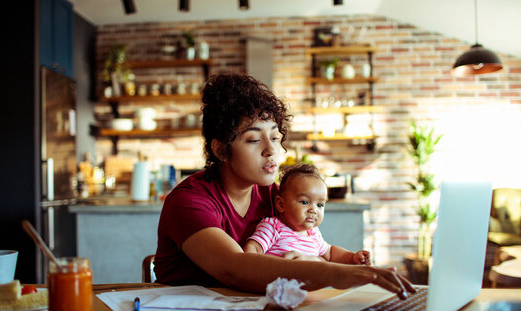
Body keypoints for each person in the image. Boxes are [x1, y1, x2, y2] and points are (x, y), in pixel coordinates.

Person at [154, 73, 413, 298]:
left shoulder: (273, 195)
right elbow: (234, 268)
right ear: (221, 150)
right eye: (254, 140)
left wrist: (322, 261)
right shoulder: (189, 201)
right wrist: (335, 273)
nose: (272, 151)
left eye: (276, 137)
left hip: (248, 310)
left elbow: (305, 246)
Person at [243, 163, 371, 265]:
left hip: (308, 292)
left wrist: (352, 257)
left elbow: (330, 253)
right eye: (304, 202)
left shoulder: (314, 233)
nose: (313, 210)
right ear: (281, 204)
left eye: (320, 205)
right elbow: (252, 251)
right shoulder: (273, 227)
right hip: (277, 289)